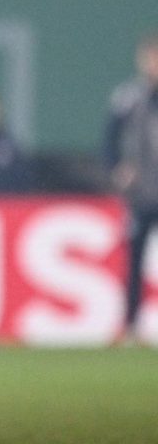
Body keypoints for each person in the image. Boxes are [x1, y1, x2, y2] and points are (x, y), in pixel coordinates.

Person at [104, 31, 158, 344]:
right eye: (149, 57)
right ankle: (132, 326)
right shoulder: (129, 97)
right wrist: (117, 169)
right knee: (134, 260)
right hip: (142, 194)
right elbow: (108, 140)